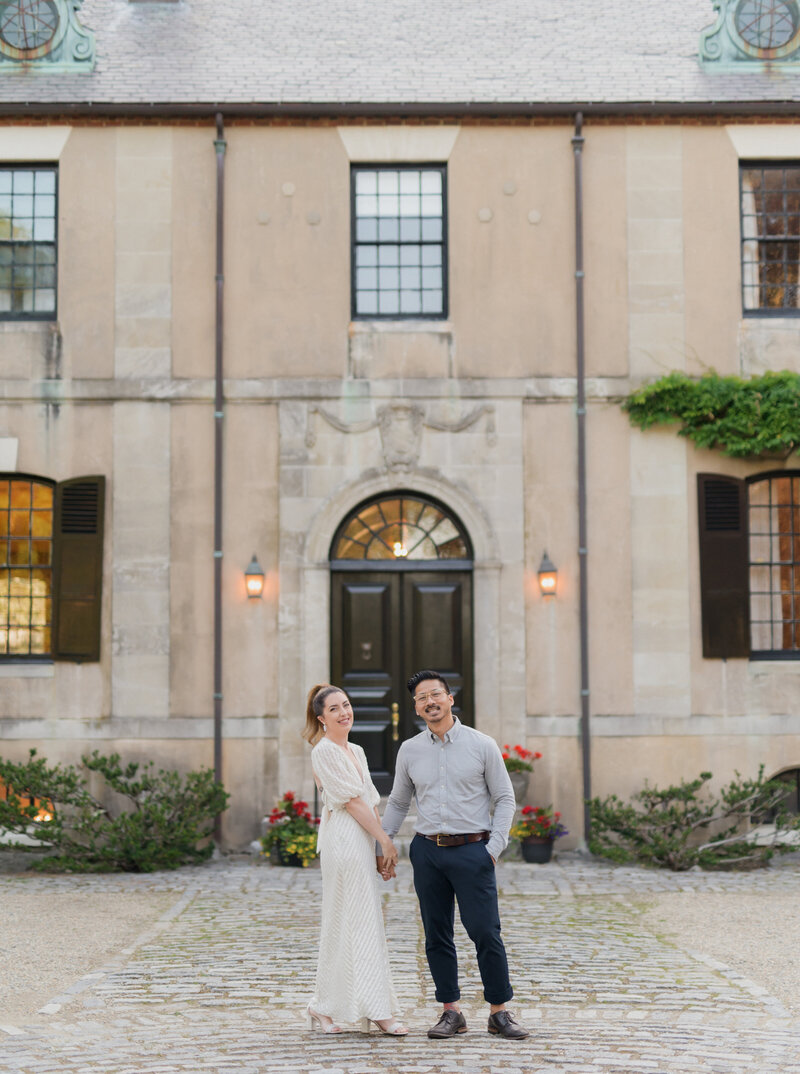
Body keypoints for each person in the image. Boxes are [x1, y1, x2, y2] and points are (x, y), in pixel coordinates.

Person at [379, 670, 529, 1041]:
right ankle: (451, 1012)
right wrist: (384, 841)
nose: (429, 702)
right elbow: (398, 801)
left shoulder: (482, 745)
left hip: (472, 851)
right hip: (427, 852)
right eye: (421, 698)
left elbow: (505, 798)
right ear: (415, 707)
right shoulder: (410, 750)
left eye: (435, 695)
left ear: (450, 698)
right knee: (436, 934)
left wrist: (493, 848)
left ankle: (499, 1012)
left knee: (485, 932)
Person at [303, 682, 408, 1036]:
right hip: (343, 841)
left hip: (362, 839)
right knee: (353, 919)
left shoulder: (358, 750)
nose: (343, 712)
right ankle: (373, 1009)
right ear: (321, 718)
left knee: (362, 920)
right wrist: (386, 841)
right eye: (334, 709)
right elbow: (352, 802)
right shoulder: (324, 751)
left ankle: (325, 1005)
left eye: (346, 705)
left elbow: (371, 802)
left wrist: (379, 849)